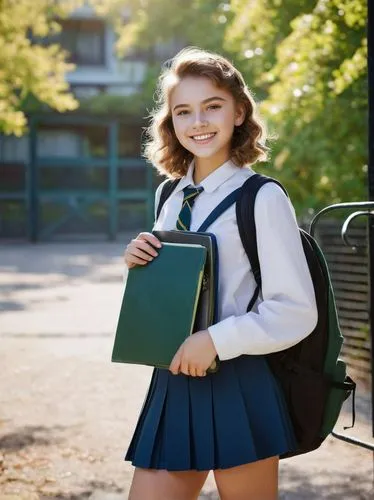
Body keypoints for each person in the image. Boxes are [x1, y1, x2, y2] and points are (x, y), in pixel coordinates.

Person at [123, 47, 318, 500]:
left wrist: (215, 340)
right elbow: (172, 291)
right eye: (183, 111)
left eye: (212, 106)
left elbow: (295, 311)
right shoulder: (169, 197)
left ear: (238, 111)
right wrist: (138, 261)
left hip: (239, 382)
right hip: (173, 380)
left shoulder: (262, 197)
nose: (198, 122)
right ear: (170, 122)